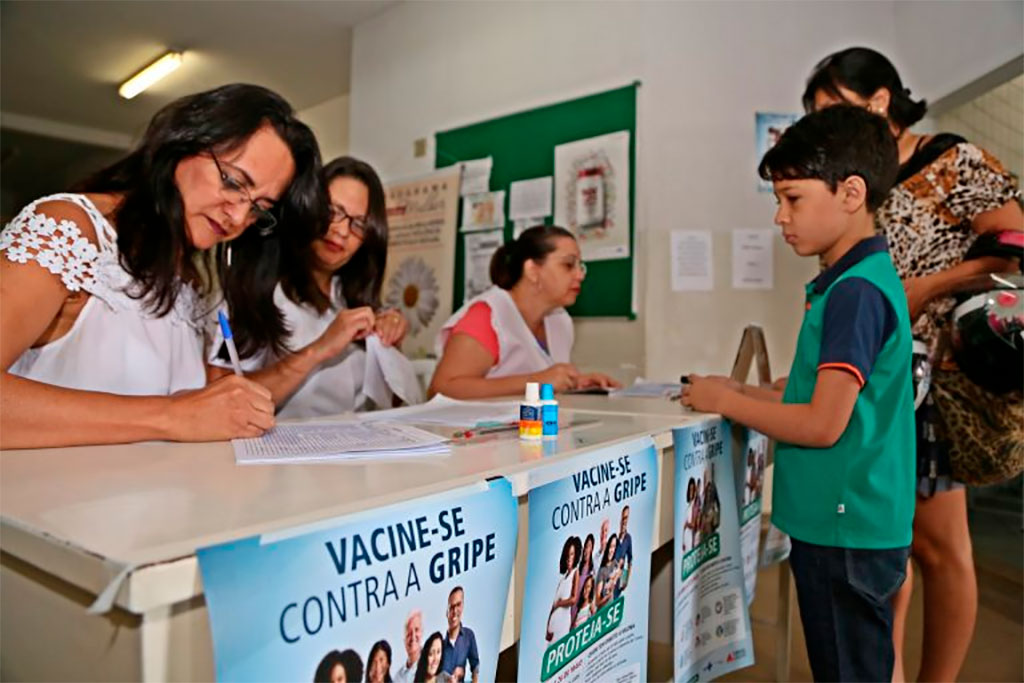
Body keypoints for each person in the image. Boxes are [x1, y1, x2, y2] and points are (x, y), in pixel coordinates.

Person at [804, 46, 1023, 682]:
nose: (825, 123)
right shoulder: (858, 177)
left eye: (833, 106)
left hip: (939, 376)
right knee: (889, 539)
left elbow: (1014, 242)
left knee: (938, 545)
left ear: (880, 99)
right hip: (878, 371)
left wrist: (928, 286)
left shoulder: (953, 160)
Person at [683, 105, 912, 682]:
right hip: (846, 521)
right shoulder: (853, 280)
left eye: (793, 199)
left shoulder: (855, 292)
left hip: (843, 527)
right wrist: (746, 390)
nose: (780, 217)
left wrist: (726, 403)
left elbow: (821, 424)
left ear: (851, 193)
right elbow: (823, 399)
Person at [0, 83, 324, 449]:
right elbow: (176, 416)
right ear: (183, 144)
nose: (237, 217)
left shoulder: (187, 280)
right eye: (233, 182)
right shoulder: (69, 230)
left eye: (258, 209)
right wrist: (171, 416)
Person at [209, 156, 410, 418]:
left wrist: (390, 347)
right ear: (308, 207)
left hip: (354, 442)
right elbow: (217, 396)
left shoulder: (353, 300)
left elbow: (391, 404)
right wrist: (319, 349)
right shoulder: (255, 290)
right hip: (280, 443)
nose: (342, 231)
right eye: (333, 212)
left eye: (359, 224)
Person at [430, 226, 619, 398]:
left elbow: (543, 378)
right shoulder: (488, 316)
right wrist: (536, 382)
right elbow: (440, 390)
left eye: (580, 266)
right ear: (532, 270)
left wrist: (574, 382)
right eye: (568, 265)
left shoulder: (560, 320)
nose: (580, 275)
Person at [440, 587, 479, 683]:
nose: (455, 611)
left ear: (463, 606)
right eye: (451, 607)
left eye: (458, 605)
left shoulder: (469, 636)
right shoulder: (439, 646)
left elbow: (475, 666)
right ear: (447, 613)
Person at [546, 536, 581, 642]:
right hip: (552, 628)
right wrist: (547, 628)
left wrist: (560, 603)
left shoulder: (575, 572)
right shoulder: (562, 579)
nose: (569, 558)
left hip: (563, 625)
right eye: (567, 554)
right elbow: (553, 605)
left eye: (572, 554)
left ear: (576, 555)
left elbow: (574, 599)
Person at [571, 533, 596, 625]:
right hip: (573, 608)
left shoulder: (592, 571)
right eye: (585, 546)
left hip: (582, 611)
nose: (586, 549)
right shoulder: (578, 570)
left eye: (589, 546)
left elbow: (591, 595)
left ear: (592, 549)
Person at [393, 609, 423, 683]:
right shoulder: (398, 678)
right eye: (409, 633)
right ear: (404, 640)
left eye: (416, 630)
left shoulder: (433, 665)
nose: (413, 636)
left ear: (422, 633)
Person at [595, 533, 621, 610]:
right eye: (610, 546)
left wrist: (617, 577)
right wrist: (608, 596)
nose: (611, 550)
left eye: (614, 547)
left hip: (613, 609)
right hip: (603, 611)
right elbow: (597, 602)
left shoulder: (616, 564)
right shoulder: (602, 571)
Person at [613, 506, 633, 598]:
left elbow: (630, 560)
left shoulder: (628, 538)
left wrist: (626, 580)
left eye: (626, 518)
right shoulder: (614, 538)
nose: (624, 521)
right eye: (623, 518)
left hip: (619, 581)